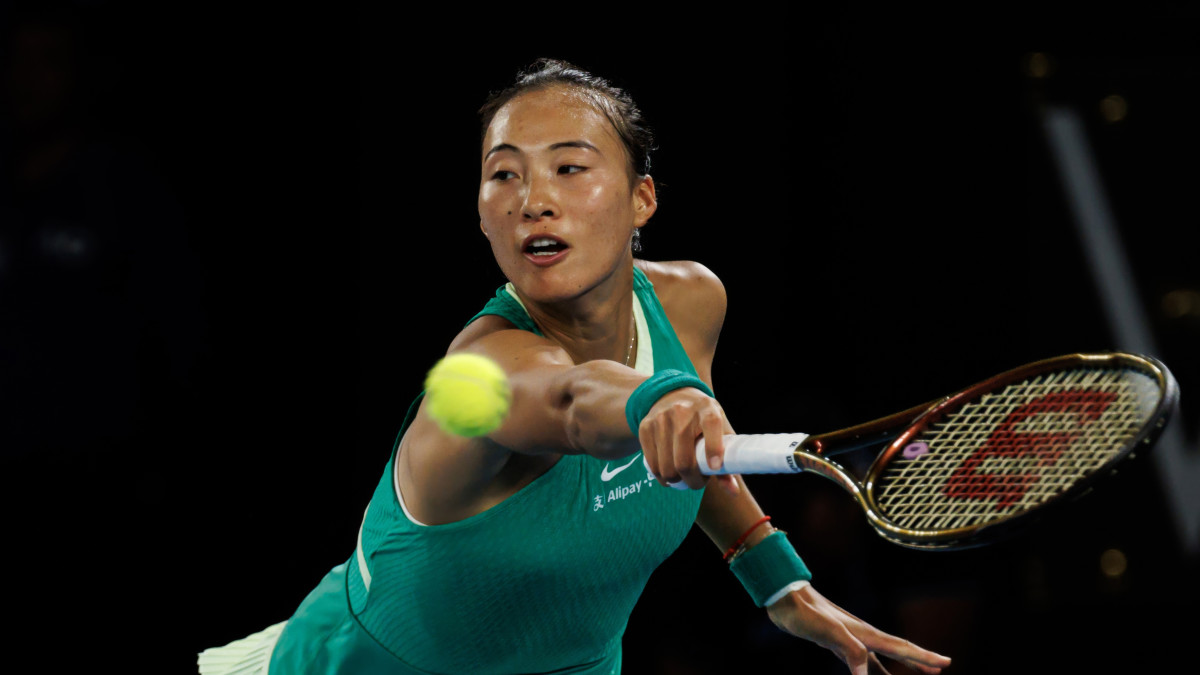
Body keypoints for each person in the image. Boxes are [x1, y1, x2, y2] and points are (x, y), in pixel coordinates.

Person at [198, 58, 952, 675]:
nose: (534, 201)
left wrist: (778, 579)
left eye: (569, 168)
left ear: (641, 200)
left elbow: (691, 456)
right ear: (483, 212)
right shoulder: (483, 372)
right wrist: (659, 397)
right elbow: (567, 400)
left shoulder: (691, 302)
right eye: (505, 175)